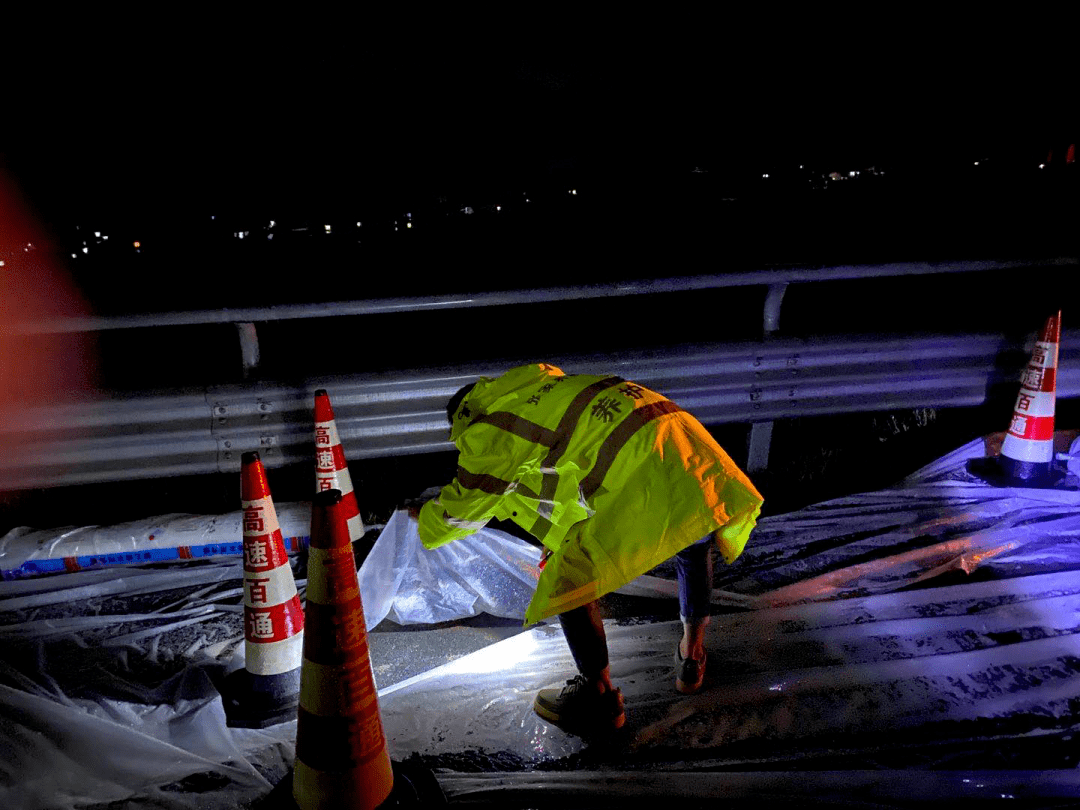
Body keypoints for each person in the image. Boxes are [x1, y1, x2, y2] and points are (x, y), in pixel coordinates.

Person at [409, 363, 763, 736]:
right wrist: (560, 535)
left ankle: (598, 695)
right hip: (690, 446)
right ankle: (692, 656)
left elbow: (464, 510)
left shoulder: (493, 425)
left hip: (643, 467)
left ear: (463, 419)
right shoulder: (542, 393)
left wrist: (425, 516)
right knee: (693, 531)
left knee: (567, 575)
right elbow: (570, 474)